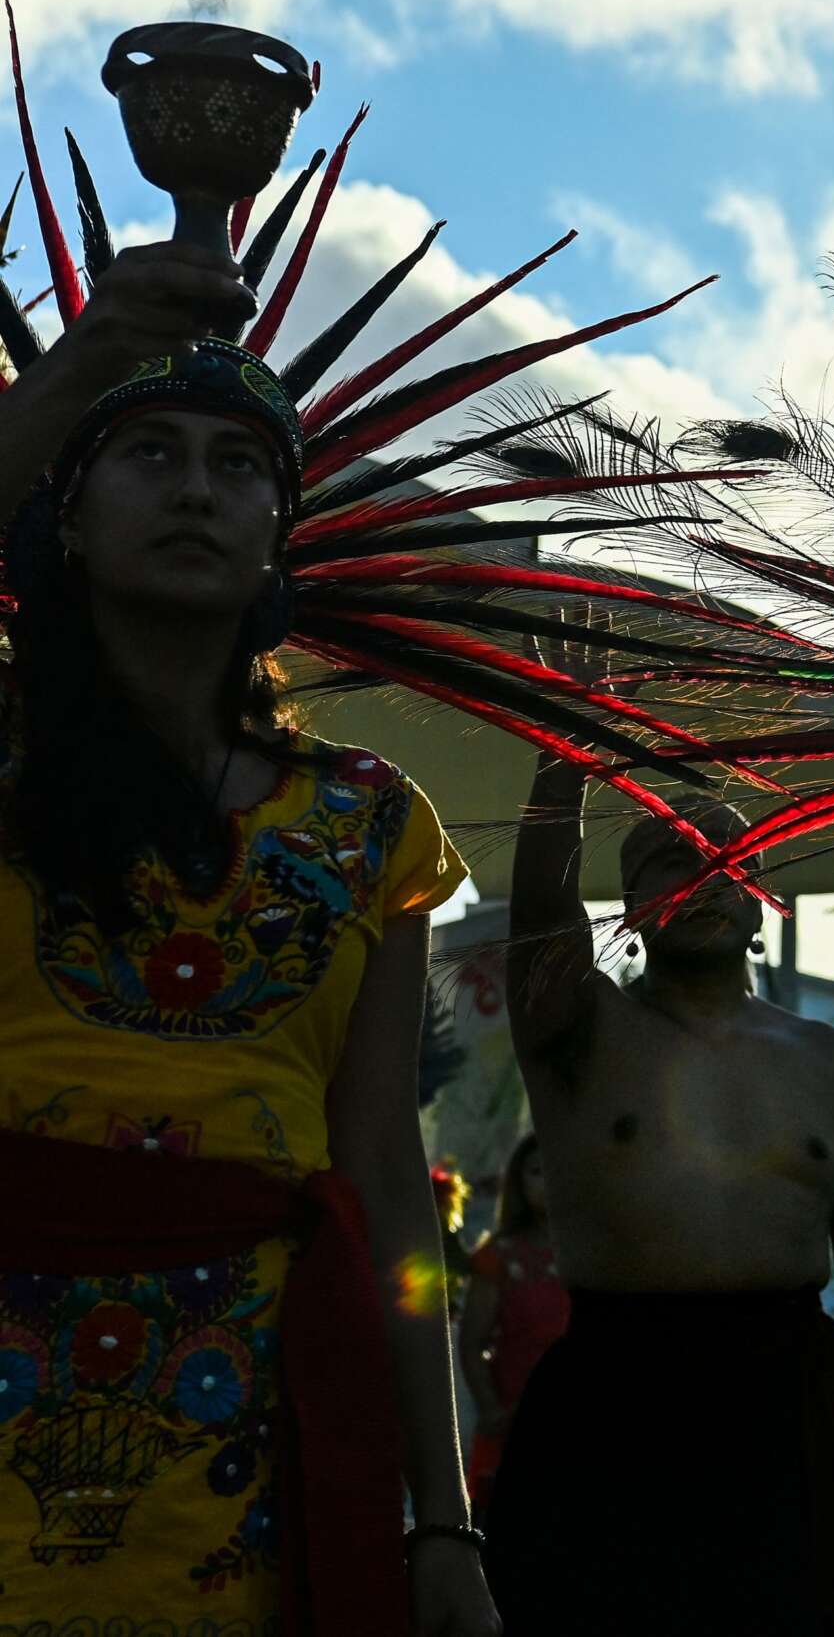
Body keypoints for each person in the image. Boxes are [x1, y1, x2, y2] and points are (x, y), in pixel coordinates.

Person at [0, 247, 495, 1632]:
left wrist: (442, 1516)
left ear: (277, 535)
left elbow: (390, 1177)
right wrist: (69, 375)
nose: (197, 488)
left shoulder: (367, 824)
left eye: (236, 466)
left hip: (256, 1438)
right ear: (70, 517)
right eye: (148, 452)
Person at [487, 708, 834, 1632]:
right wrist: (563, 763)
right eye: (669, 861)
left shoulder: (829, 1061)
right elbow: (542, 912)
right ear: (629, 913)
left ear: (758, 902)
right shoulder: (578, 1031)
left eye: (725, 860)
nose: (700, 877)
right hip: (614, 1392)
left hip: (791, 1399)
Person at [457, 1132, 571, 1507]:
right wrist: (489, 1407)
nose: (550, 1182)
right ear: (519, 1182)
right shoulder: (498, 1256)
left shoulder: (595, 1256)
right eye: (538, 1171)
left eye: (559, 1171)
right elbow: (472, 1341)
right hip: (511, 1420)